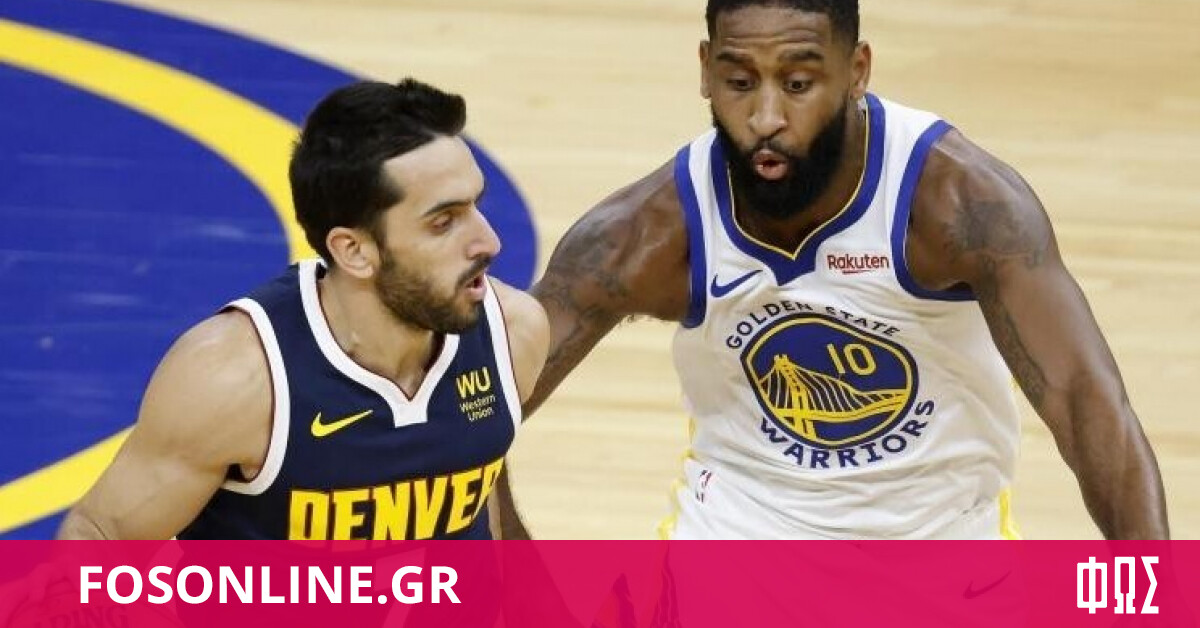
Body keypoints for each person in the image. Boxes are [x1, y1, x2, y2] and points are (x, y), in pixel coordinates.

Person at [508, 0, 1168, 539]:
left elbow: (1086, 403)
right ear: (705, 71)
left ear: (857, 71)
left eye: (798, 84)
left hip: (944, 554)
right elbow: (477, 412)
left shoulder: (960, 206)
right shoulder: (647, 233)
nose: (766, 118)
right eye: (740, 83)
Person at [56, 78, 549, 540]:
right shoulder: (240, 380)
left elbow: (480, 484)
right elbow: (99, 536)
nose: (489, 241)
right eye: (443, 222)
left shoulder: (513, 331)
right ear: (354, 251)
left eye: (476, 206)